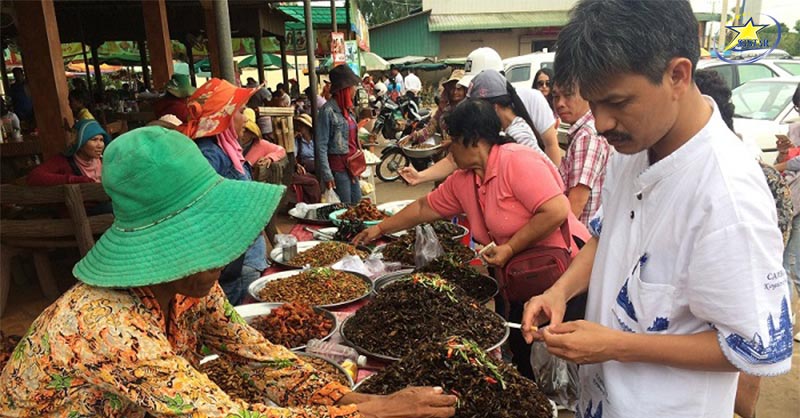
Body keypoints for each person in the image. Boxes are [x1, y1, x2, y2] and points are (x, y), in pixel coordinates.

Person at [0, 125, 457, 418]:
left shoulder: (189, 289)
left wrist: (358, 400)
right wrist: (373, 413)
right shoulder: (108, 326)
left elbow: (255, 355)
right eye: (201, 242)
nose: (221, 256)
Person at [520, 2, 791, 418]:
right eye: (593, 103)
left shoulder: (726, 196)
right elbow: (606, 236)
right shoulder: (632, 150)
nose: (601, 123)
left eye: (617, 102)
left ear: (677, 75)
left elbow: (753, 347)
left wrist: (616, 345)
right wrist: (559, 291)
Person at [354, 99, 589, 378]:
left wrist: (510, 247)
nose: (448, 148)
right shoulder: (465, 179)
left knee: (565, 364)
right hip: (520, 280)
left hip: (562, 275)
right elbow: (424, 207)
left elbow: (556, 210)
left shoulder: (516, 161)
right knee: (525, 354)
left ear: (474, 140)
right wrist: (380, 229)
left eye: (452, 140)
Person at [180, 78, 268, 305]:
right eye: (241, 111)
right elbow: (203, 210)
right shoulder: (210, 154)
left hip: (246, 256)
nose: (246, 118)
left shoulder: (226, 149)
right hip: (235, 263)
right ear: (223, 117)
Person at [399, 68, 555, 185]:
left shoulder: (518, 137)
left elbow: (545, 183)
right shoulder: (495, 131)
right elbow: (454, 159)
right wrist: (420, 176)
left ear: (493, 107)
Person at [552, 80, 612, 225]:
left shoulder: (586, 137)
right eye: (556, 96)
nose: (560, 103)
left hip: (581, 232)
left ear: (587, 95)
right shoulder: (586, 131)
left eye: (568, 95)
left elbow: (576, 203)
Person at [316, 65, 363, 204]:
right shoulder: (327, 111)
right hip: (339, 170)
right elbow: (321, 145)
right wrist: (327, 174)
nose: (355, 89)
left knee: (357, 204)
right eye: (353, 86)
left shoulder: (348, 110)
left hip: (352, 167)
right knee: (345, 208)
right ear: (345, 89)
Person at [27, 119, 109, 187]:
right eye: (94, 139)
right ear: (80, 143)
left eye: (101, 140)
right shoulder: (63, 161)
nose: (100, 145)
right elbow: (34, 177)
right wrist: (74, 180)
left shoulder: (103, 161)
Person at [406, 70, 467, 146]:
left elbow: (472, 136)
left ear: (465, 90)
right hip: (445, 150)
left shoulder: (469, 110)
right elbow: (430, 128)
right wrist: (414, 136)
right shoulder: (444, 109)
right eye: (452, 88)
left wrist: (452, 142)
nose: (455, 92)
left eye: (459, 89)